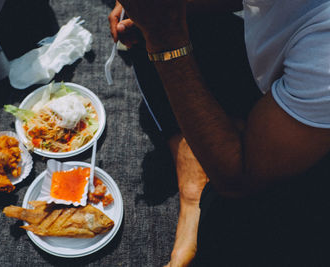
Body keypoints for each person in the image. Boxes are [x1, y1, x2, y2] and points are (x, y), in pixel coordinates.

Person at [109, 0, 330, 266]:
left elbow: (239, 176)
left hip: (309, 167)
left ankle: (198, 190)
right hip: (286, 90)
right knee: (150, 20)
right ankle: (194, 156)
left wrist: (165, 37)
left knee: (229, 229)